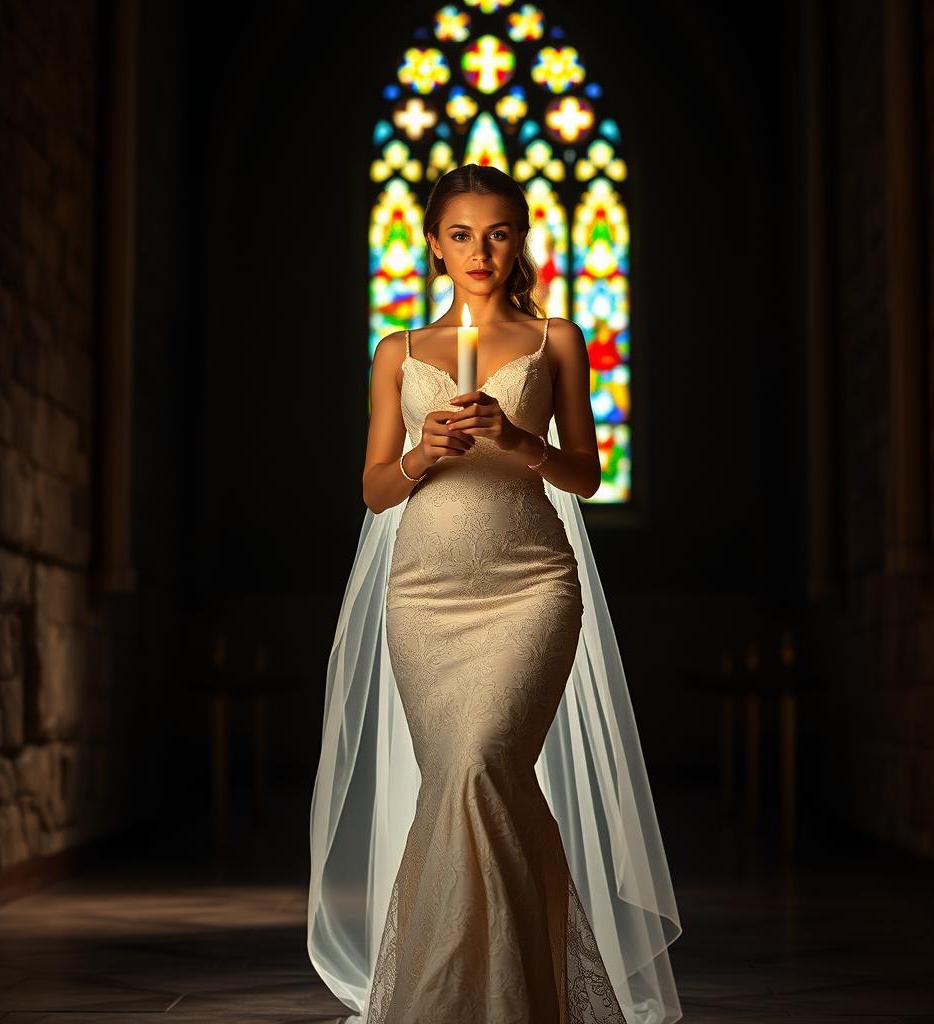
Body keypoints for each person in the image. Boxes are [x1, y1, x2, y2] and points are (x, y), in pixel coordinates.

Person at [308, 164, 683, 1023]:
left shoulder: (557, 339)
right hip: (427, 595)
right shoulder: (397, 353)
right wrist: (422, 453)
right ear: (434, 244)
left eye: (501, 231)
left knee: (483, 766)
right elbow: (373, 489)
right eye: (463, 234)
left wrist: (520, 440)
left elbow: (585, 474)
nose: (483, 250)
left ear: (521, 238)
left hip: (530, 586)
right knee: (466, 780)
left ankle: (496, 997)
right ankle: (483, 996)